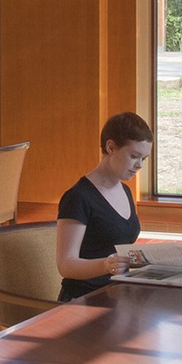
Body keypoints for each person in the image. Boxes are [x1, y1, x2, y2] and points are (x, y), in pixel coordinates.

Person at [54, 112, 151, 301]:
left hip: (117, 294)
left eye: (144, 159)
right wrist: (105, 265)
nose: (139, 165)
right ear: (111, 147)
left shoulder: (125, 191)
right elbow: (65, 265)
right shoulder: (77, 197)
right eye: (134, 156)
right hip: (83, 299)